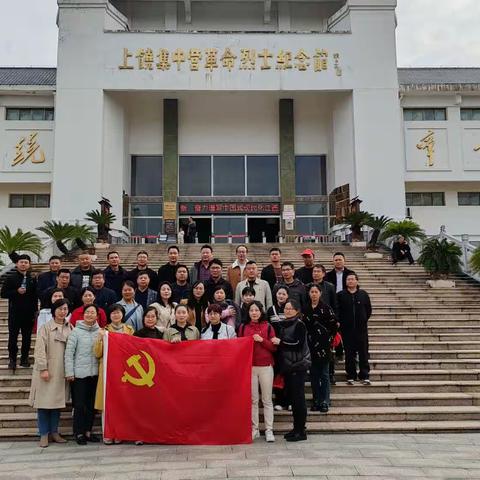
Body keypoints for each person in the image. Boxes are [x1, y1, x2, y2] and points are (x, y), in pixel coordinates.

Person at [29, 299, 72, 448]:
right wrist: (43, 369)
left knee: (56, 404)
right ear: (54, 310)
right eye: (60, 309)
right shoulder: (45, 328)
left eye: (65, 309)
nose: (63, 312)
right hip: (47, 371)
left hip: (62, 371)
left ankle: (54, 432)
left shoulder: (70, 327)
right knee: (43, 404)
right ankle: (43, 434)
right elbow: (39, 350)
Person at [94, 304, 134, 444]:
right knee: (107, 403)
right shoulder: (103, 331)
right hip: (107, 370)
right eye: (113, 313)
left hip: (124, 371)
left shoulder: (129, 330)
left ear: (122, 314)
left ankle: (119, 432)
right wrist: (100, 339)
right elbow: (97, 353)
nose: (116, 315)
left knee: (121, 402)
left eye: (118, 313)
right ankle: (108, 433)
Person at [238, 301, 278, 443]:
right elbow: (239, 346)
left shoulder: (268, 327)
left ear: (261, 312)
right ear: (248, 313)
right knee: (253, 400)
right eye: (251, 310)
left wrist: (262, 340)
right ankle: (254, 429)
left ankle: (269, 429)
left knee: (266, 400)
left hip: (266, 367)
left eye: (256, 310)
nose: (254, 313)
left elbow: (274, 348)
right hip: (250, 368)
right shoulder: (243, 327)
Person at [64, 304, 100, 445]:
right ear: (83, 314)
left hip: (95, 374)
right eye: (87, 312)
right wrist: (69, 372)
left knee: (91, 405)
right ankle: (78, 432)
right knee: (79, 405)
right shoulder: (76, 332)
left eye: (93, 312)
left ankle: (88, 432)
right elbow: (69, 353)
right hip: (79, 375)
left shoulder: (101, 332)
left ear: (97, 316)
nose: (90, 315)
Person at [274, 299, 310, 442]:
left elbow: (298, 344)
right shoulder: (285, 324)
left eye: (291, 308)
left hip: (298, 365)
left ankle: (301, 431)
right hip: (288, 366)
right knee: (294, 400)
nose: (287, 310)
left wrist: (281, 343)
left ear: (297, 311)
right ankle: (296, 428)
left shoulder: (299, 324)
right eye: (286, 308)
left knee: (299, 399)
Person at [303, 284, 337, 412]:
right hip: (311, 346)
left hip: (324, 346)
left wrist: (328, 338)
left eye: (316, 291)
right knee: (314, 375)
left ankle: (325, 401)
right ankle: (316, 400)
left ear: (320, 293)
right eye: (311, 292)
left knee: (324, 374)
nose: (313, 294)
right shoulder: (306, 309)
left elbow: (334, 325)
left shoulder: (326, 308)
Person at [1, 254, 38, 370]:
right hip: (15, 313)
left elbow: (34, 297)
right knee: (13, 337)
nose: (23, 264)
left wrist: (35, 311)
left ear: (29, 264)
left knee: (27, 338)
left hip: (28, 314)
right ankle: (12, 359)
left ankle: (24, 359)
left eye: (26, 262)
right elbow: (3, 294)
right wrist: (16, 292)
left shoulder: (32, 279)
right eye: (21, 262)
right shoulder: (10, 278)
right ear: (17, 264)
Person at [337, 273, 372, 385]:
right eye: (348, 279)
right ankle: (351, 375)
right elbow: (338, 310)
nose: (350, 281)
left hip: (361, 329)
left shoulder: (363, 294)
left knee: (363, 352)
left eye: (352, 279)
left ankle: (364, 374)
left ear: (357, 281)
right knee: (349, 353)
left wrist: (363, 319)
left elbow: (368, 310)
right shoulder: (341, 295)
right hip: (347, 329)